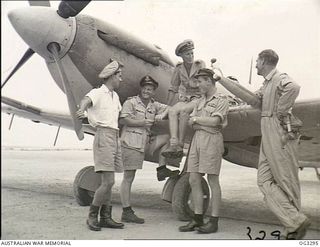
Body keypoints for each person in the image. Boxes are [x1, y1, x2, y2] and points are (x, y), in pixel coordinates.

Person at [214, 49, 310, 239]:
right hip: (266, 129)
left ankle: (294, 227)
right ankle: (295, 220)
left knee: (285, 179)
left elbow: (295, 87)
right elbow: (251, 99)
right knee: (264, 180)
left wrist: (281, 111)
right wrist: (222, 79)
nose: (256, 64)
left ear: (265, 61)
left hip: (278, 129)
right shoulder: (267, 84)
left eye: (257, 61)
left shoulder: (280, 78)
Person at [119, 75, 180, 224]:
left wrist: (164, 113)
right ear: (141, 89)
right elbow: (122, 119)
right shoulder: (131, 102)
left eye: (150, 89)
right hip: (131, 143)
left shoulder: (154, 105)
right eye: (145, 88)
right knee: (128, 177)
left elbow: (172, 108)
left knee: (169, 137)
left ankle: (162, 168)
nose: (147, 91)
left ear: (153, 92)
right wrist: (142, 122)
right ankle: (126, 211)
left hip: (145, 143)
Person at [178, 68, 229, 233]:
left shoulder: (222, 99)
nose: (197, 84)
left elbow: (215, 121)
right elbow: (189, 123)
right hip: (197, 140)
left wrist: (198, 120)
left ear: (209, 80)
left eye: (200, 81)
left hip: (212, 142)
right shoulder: (199, 100)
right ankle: (198, 219)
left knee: (213, 180)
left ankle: (213, 221)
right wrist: (200, 123)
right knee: (193, 179)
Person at [76, 60, 124, 231]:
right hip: (103, 135)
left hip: (114, 136)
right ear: (111, 76)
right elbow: (85, 100)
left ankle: (106, 217)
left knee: (109, 182)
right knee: (108, 181)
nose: (121, 79)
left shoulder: (115, 96)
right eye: (119, 75)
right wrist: (82, 110)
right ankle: (92, 216)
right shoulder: (98, 93)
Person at [161, 39, 205, 159]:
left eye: (192, 53)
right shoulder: (179, 68)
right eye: (187, 54)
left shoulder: (200, 65)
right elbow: (173, 88)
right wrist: (167, 106)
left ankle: (180, 143)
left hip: (199, 98)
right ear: (181, 55)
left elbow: (205, 83)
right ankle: (173, 142)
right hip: (186, 98)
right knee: (172, 111)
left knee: (184, 111)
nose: (191, 56)